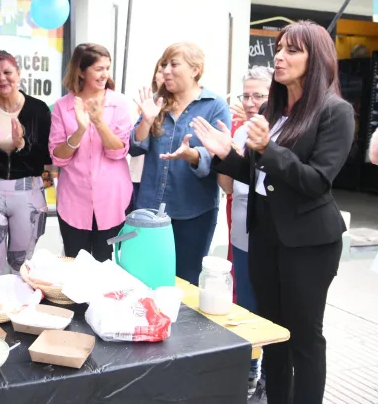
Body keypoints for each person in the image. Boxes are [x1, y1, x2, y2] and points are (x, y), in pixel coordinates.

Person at [192, 21, 353, 404]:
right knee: (274, 332)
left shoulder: (335, 112)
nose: (279, 56)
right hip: (265, 236)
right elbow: (254, 173)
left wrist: (268, 150)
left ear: (316, 60)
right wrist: (224, 156)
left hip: (309, 242)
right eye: (278, 48)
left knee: (304, 337)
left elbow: (317, 181)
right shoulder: (272, 108)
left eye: (292, 50)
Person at [130, 42, 230, 285]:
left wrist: (193, 156)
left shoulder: (214, 105)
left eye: (174, 64)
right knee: (146, 278)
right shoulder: (157, 102)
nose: (165, 70)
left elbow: (221, 156)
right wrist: (146, 120)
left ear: (195, 70)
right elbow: (134, 146)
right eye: (164, 65)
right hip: (151, 209)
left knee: (185, 282)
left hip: (194, 211)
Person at [217, 65, 273, 397]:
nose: (251, 103)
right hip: (240, 233)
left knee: (269, 307)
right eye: (246, 95)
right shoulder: (238, 133)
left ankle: (268, 376)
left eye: (259, 95)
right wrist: (225, 155)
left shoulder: (280, 131)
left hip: (270, 235)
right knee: (245, 305)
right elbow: (226, 186)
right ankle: (251, 368)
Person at [0, 50, 52, 275]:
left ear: (19, 74)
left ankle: (20, 309)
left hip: (28, 191)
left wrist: (20, 145)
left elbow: (46, 156)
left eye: (7, 72)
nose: (2, 78)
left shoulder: (38, 110)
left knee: (22, 264)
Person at [49, 44, 132, 261]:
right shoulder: (62, 106)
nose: (105, 74)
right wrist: (80, 130)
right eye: (98, 69)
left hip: (114, 203)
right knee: (76, 270)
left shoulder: (119, 104)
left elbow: (119, 151)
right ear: (81, 71)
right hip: (74, 204)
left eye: (107, 68)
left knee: (112, 269)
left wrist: (98, 123)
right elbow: (59, 156)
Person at [129, 61, 164, 202]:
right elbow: (132, 140)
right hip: (139, 175)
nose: (166, 74)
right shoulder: (144, 102)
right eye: (160, 71)